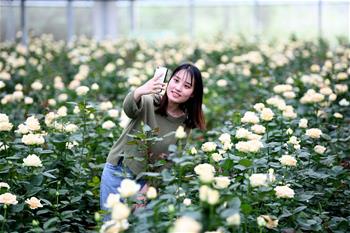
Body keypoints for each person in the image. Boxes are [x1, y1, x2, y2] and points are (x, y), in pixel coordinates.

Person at [100, 63, 205, 213]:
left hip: (146, 180)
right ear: (169, 81)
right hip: (119, 170)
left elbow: (170, 161)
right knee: (112, 223)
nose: (178, 88)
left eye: (187, 86)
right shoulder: (150, 101)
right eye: (175, 80)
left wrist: (147, 189)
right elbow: (129, 108)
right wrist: (141, 91)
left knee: (138, 226)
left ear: (193, 93)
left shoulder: (185, 123)